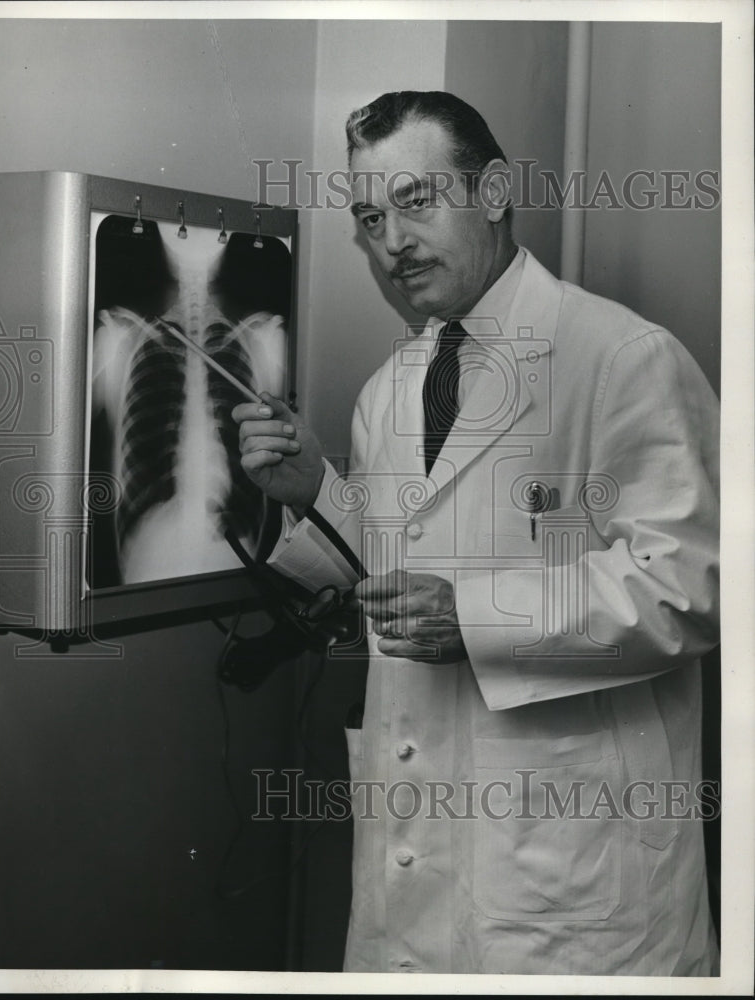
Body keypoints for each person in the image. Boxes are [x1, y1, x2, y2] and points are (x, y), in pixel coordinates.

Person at [233, 91, 720, 975]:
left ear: (493, 191)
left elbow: (690, 585)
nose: (392, 241)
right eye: (370, 218)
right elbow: (400, 573)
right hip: (413, 861)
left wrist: (477, 617)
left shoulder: (620, 358)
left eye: (415, 202)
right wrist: (315, 493)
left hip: (573, 879)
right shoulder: (391, 389)